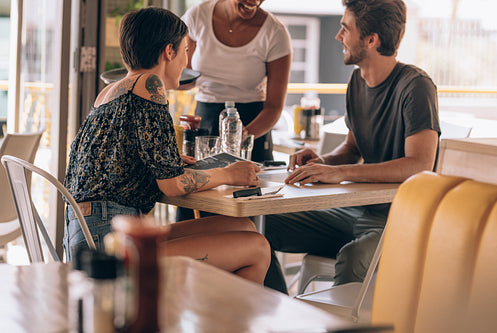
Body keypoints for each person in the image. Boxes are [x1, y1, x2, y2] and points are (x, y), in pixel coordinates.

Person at [64, 7, 270, 284]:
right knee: (258, 248)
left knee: (243, 226)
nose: (187, 60)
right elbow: (172, 186)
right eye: (186, 50)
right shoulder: (149, 83)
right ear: (169, 51)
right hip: (111, 243)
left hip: (90, 232)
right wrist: (229, 173)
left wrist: (168, 162)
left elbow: (118, 160)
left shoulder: (112, 90)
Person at [263, 0, 440, 294]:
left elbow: (419, 164)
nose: (338, 37)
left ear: (371, 40)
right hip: (355, 212)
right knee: (262, 227)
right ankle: (280, 312)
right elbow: (351, 149)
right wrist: (322, 162)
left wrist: (341, 172)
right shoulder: (357, 81)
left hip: (400, 219)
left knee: (354, 257)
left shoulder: (416, 86)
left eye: (345, 29)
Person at [180, 0, 292, 163]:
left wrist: (240, 137)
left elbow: (274, 107)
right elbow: (184, 76)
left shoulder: (275, 32)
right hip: (205, 123)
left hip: (253, 125)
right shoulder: (198, 15)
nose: (255, 2)